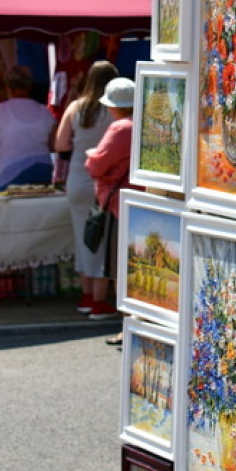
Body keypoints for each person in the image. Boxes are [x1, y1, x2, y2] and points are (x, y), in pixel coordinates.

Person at [53, 61, 118, 316]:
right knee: (102, 241)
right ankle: (100, 300)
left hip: (78, 179)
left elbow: (60, 144)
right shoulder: (114, 110)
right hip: (104, 180)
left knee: (83, 238)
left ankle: (87, 295)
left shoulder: (75, 108)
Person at [84, 76, 136, 324]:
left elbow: (96, 165)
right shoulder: (144, 124)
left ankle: (125, 323)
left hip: (118, 205)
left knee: (119, 266)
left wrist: (92, 156)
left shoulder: (120, 128)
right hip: (140, 202)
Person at [0, 65, 57, 191]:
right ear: (30, 87)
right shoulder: (45, 111)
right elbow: (54, 145)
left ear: (8, 87)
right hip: (43, 170)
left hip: (10, 174)